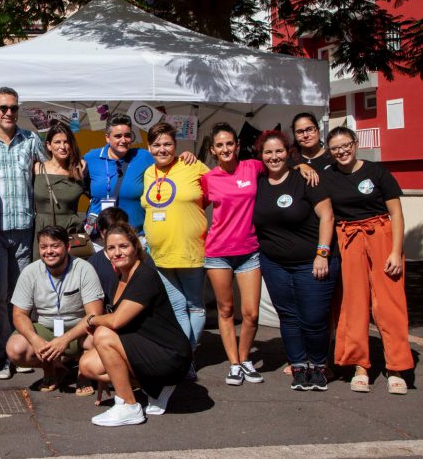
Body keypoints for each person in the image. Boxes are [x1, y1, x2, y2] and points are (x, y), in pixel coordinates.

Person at [201, 122, 317, 386]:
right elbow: (194, 207)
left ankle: (244, 359)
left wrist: (302, 165)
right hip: (217, 252)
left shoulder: (252, 167)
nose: (226, 148)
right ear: (212, 149)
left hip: (249, 251)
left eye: (230, 143)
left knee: (251, 313)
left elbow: (280, 165)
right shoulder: (208, 179)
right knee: (226, 309)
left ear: (237, 145)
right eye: (220, 145)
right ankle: (233, 364)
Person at [322, 127, 413, 395]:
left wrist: (396, 251)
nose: (342, 151)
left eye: (346, 145)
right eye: (336, 148)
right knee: (353, 303)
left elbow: (396, 214)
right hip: (348, 239)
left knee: (389, 303)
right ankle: (359, 366)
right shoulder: (329, 177)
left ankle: (396, 367)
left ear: (355, 143)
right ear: (330, 151)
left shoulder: (377, 172)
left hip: (381, 237)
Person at [80, 224, 192, 427]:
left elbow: (115, 321)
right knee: (88, 364)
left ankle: (129, 406)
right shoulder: (120, 278)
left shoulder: (145, 275)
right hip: (145, 346)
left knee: (103, 334)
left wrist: (92, 320)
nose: (117, 252)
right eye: (111, 248)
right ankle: (155, 388)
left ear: (135, 247)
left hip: (169, 354)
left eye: (123, 246)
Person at [252, 130, 338, 391]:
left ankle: (319, 365)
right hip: (274, 263)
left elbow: (327, 216)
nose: (273, 156)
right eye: (268, 152)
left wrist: (322, 254)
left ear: (288, 153)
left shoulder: (305, 179)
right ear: (261, 156)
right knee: (288, 317)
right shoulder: (259, 182)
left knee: (313, 317)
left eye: (279, 151)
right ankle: (299, 365)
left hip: (311, 262)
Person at [0, 87, 46, 380]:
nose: (8, 113)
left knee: (22, 297)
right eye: (3, 107)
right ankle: (1, 355)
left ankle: (20, 350)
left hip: (24, 229)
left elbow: (48, 170)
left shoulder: (31, 140)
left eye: (13, 108)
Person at [141, 122, 209, 373]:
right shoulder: (149, 173)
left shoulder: (193, 166)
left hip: (190, 250)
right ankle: (184, 355)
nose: (162, 149)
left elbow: (216, 191)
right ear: (149, 147)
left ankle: (187, 355)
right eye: (157, 144)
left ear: (176, 145)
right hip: (160, 254)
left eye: (168, 144)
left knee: (195, 305)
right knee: (178, 306)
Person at [7, 226, 104, 394]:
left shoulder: (84, 269)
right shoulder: (30, 272)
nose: (49, 251)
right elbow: (19, 314)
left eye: (55, 246)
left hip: (80, 330)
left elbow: (94, 314)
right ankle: (53, 368)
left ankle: (84, 371)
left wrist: (65, 339)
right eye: (44, 247)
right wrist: (35, 340)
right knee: (16, 349)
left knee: (101, 341)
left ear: (67, 247)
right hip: (47, 328)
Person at [83, 114, 154, 237]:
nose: (123, 140)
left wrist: (184, 157)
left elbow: (166, 161)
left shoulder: (143, 157)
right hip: (99, 236)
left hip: (133, 236)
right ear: (107, 137)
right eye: (118, 136)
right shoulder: (92, 157)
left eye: (127, 135)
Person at [33, 121, 87, 260]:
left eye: (66, 142)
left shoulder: (79, 169)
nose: (62, 147)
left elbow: (96, 197)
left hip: (71, 234)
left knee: (73, 276)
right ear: (49, 145)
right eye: (57, 142)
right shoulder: (37, 168)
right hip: (42, 232)